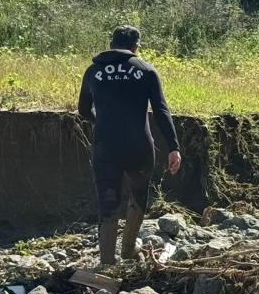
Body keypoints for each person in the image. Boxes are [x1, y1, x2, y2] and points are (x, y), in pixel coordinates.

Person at [77, 26, 182, 266]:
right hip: (139, 147)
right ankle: (128, 250)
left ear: (111, 43)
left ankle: (106, 262)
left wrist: (101, 120)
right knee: (138, 194)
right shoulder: (146, 70)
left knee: (108, 201)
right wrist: (173, 146)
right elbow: (161, 111)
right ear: (135, 47)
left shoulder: (93, 71)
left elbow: (83, 110)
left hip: (106, 146)